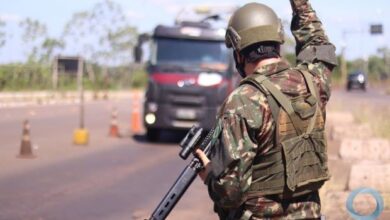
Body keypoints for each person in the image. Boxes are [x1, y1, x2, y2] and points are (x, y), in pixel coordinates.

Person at [195, 0, 337, 219]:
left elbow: (230, 193)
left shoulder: (242, 101)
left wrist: (210, 176)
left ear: (239, 53)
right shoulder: (314, 82)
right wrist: (300, 4)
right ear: (278, 43)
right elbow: (317, 42)